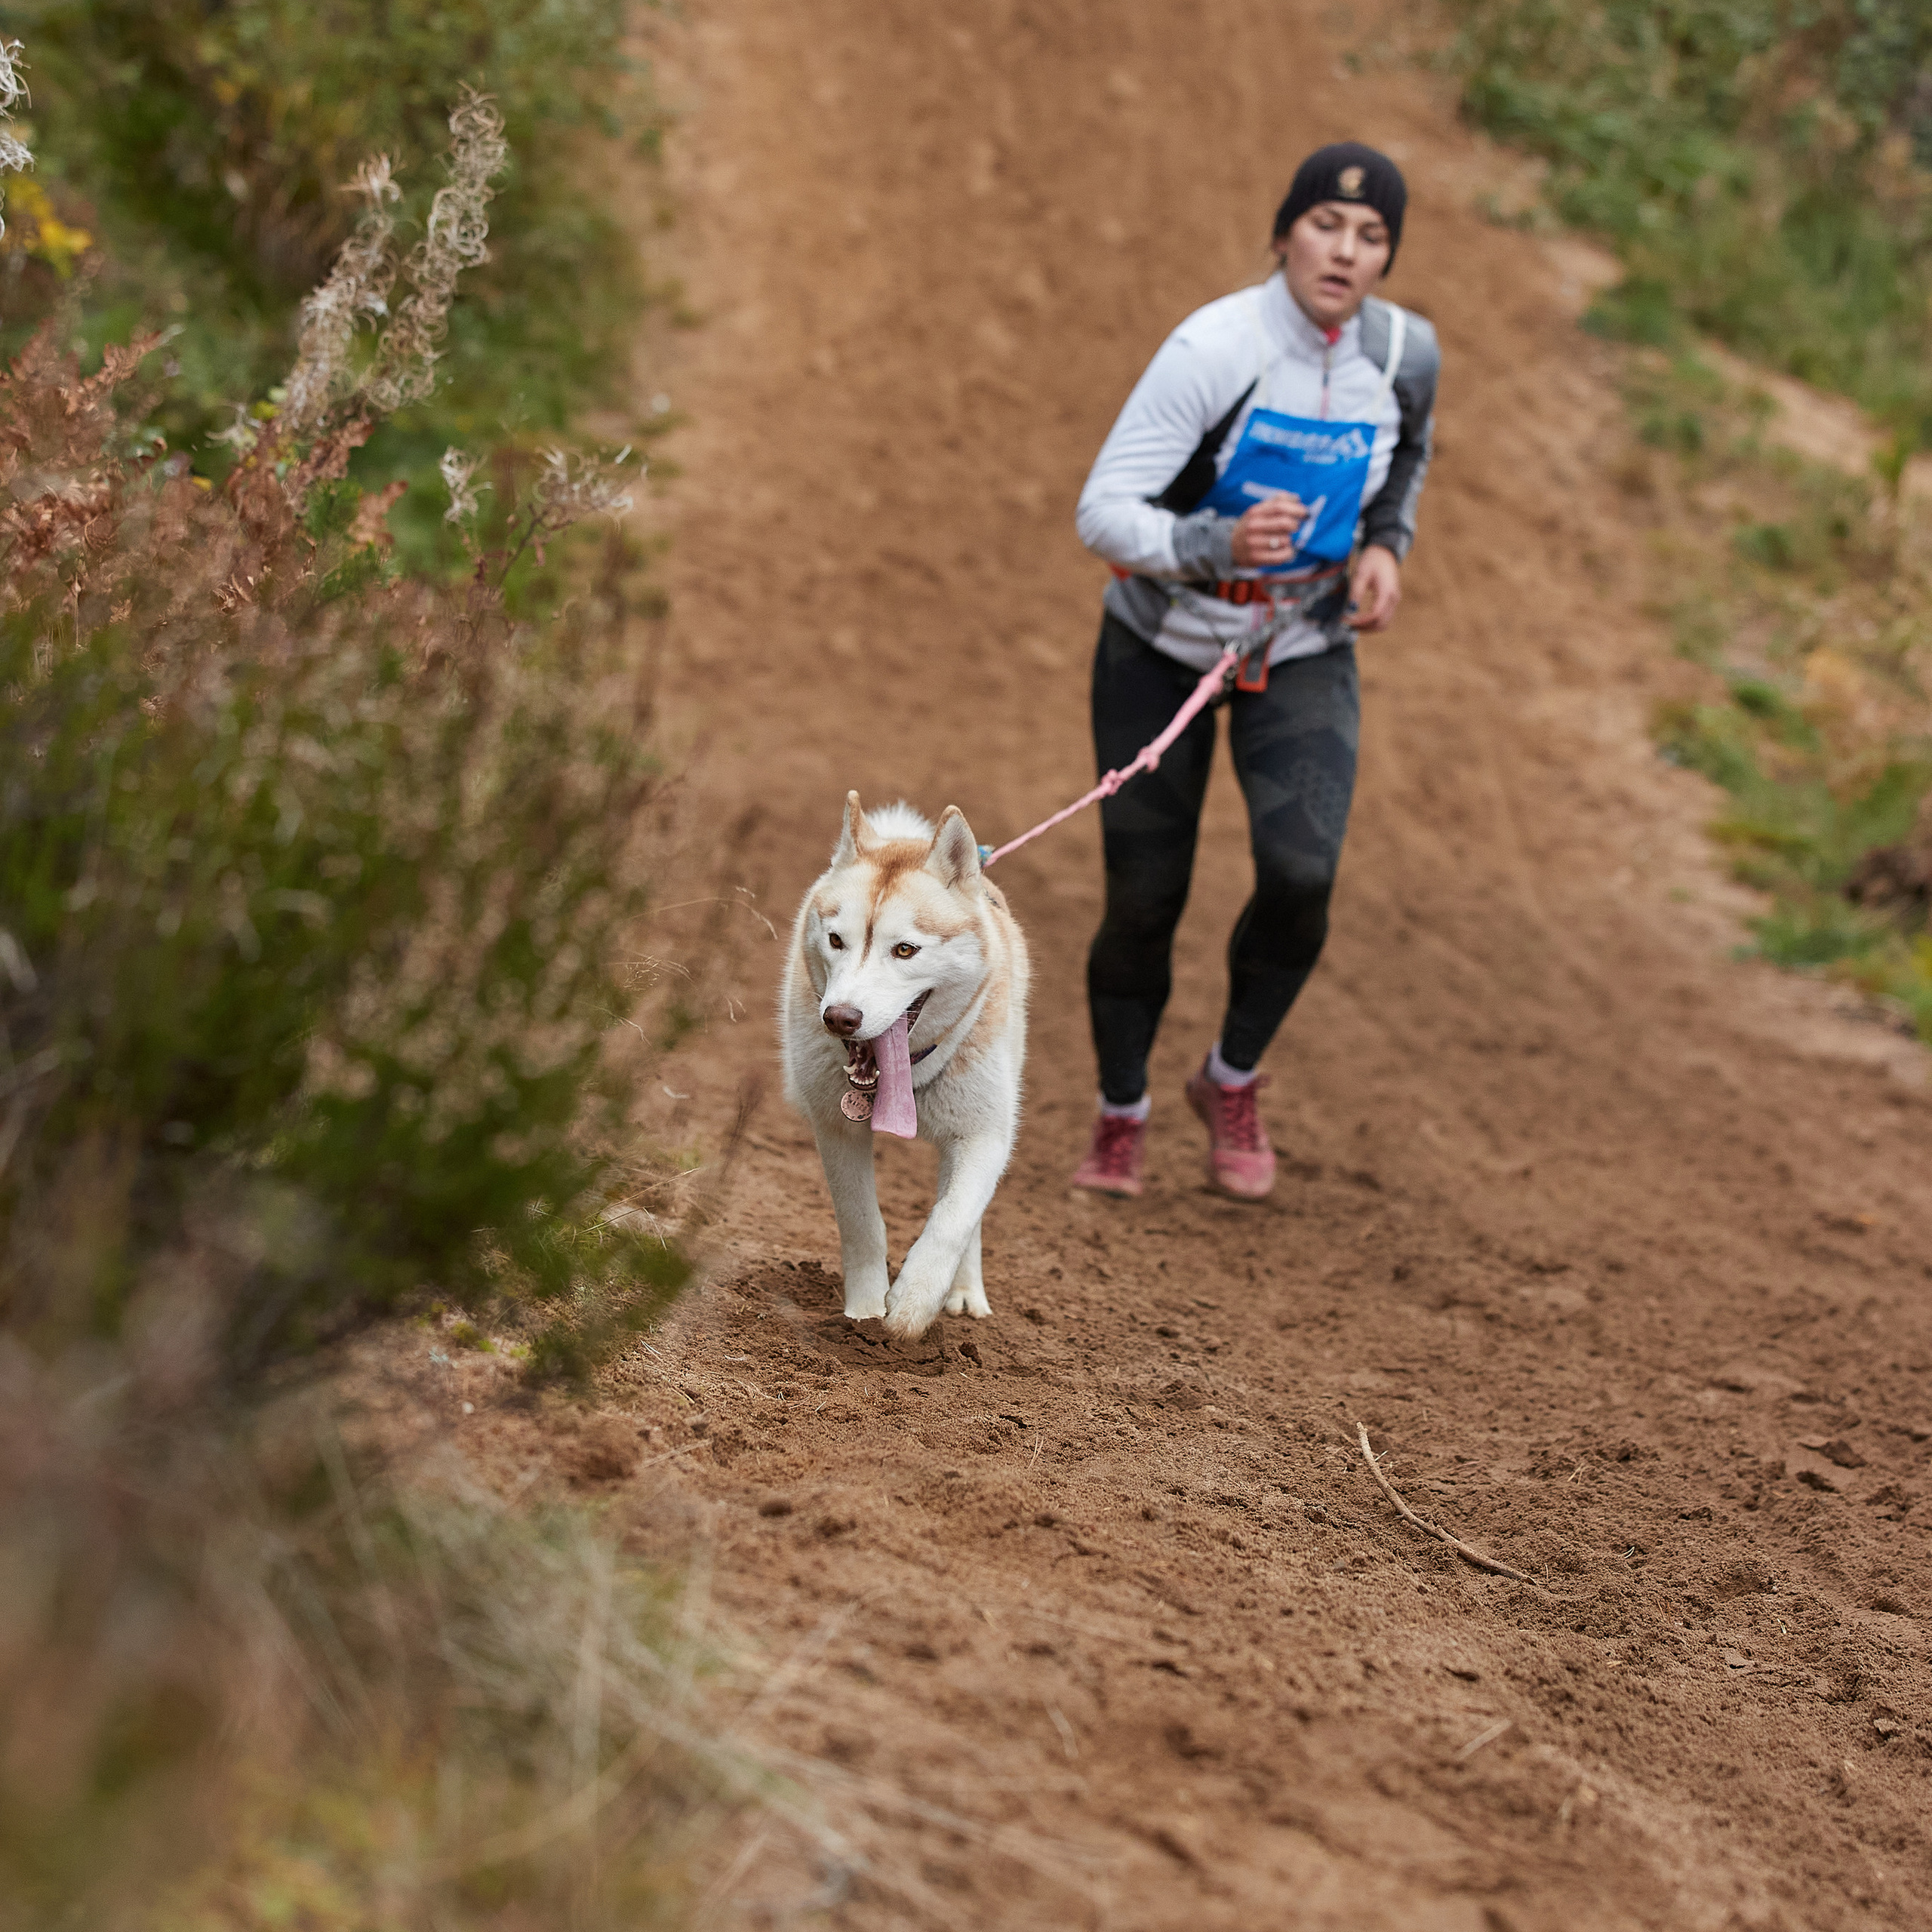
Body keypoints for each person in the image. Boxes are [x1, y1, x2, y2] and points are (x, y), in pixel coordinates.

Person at [1068, 142, 1438, 1201]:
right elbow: (1101, 512)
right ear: (1284, 234)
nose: (1347, 250)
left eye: (1373, 237)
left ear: (1386, 259)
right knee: (1146, 893)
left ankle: (1229, 1077)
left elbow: (1405, 458)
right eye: (1326, 224)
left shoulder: (1407, 353)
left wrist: (1384, 546)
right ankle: (1120, 1110)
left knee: (1303, 876)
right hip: (1161, 641)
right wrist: (1217, 544)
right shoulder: (1212, 349)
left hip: (1304, 644)